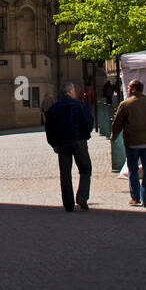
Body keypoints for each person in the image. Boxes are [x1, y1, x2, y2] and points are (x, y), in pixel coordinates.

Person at [110, 78, 146, 207]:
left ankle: (135, 197)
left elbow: (117, 124)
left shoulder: (125, 104)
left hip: (132, 143)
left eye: (128, 88)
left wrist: (114, 136)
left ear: (133, 89)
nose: (127, 90)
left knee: (133, 171)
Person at [44, 81, 94, 211]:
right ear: (70, 91)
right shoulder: (79, 105)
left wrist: (53, 144)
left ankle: (68, 204)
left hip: (62, 143)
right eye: (74, 91)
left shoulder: (54, 108)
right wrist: (85, 135)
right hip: (78, 140)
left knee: (65, 173)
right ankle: (82, 196)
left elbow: (49, 128)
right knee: (85, 169)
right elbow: (88, 122)